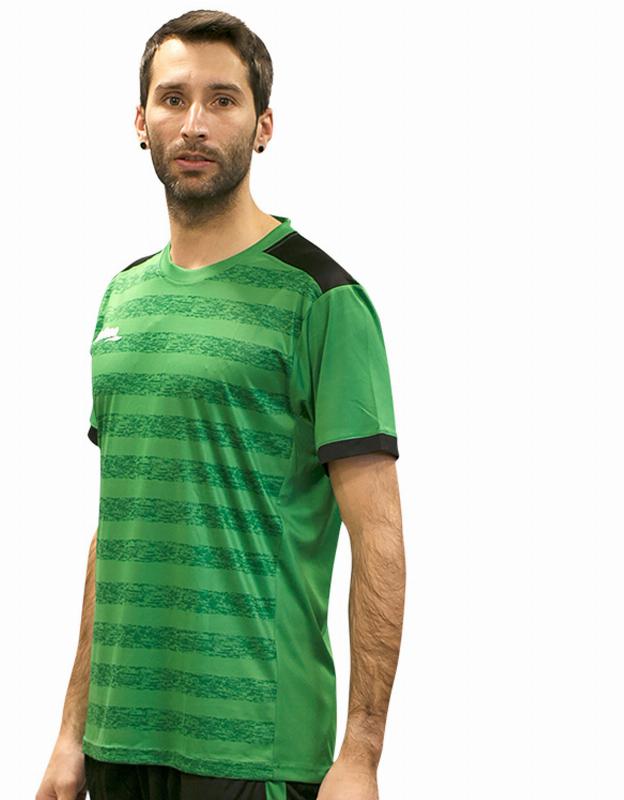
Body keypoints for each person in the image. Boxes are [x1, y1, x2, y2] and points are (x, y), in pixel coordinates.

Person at [36, 9, 405, 800]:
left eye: (223, 100)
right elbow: (120, 523)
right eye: (173, 99)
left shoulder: (322, 298)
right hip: (117, 742)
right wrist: (71, 731)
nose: (195, 123)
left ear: (263, 125)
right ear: (141, 122)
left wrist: (362, 754)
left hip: (254, 752)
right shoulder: (121, 298)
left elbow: (379, 538)